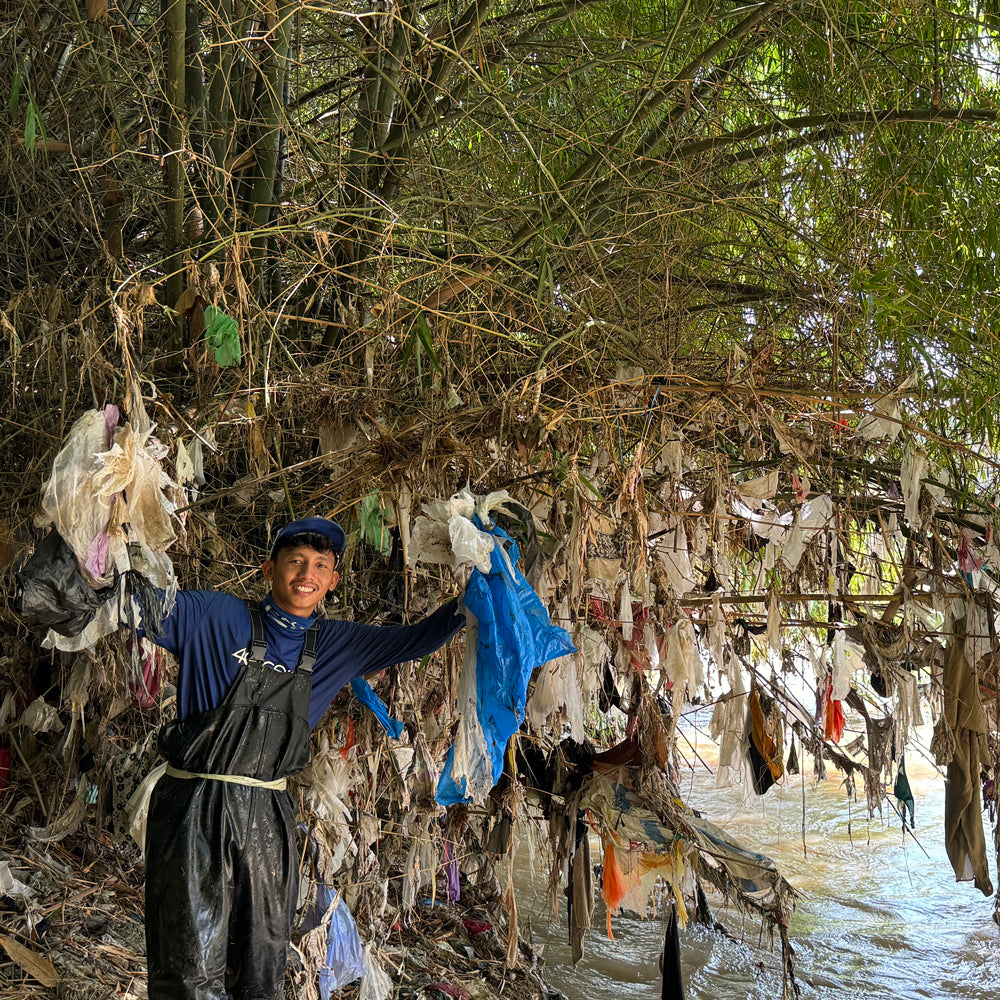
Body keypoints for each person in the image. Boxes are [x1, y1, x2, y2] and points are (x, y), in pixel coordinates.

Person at [141, 516, 465, 1000]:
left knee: (260, 968)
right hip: (193, 810)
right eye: (295, 561)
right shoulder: (214, 615)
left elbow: (418, 638)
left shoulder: (337, 645)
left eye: (320, 565)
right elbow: (138, 605)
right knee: (187, 967)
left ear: (333, 580)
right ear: (269, 568)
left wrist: (479, 590)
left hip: (268, 818)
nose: (306, 574)